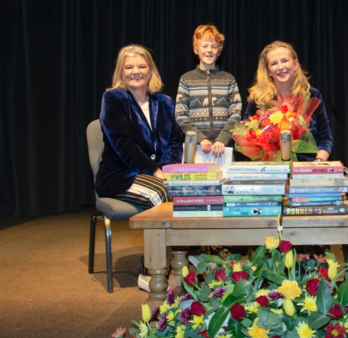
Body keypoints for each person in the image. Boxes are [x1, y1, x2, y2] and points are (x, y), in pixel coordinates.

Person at [96, 44, 183, 209]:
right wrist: (154, 171)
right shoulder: (113, 99)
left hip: (160, 173)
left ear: (150, 70)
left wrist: (165, 169)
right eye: (129, 67)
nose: (136, 71)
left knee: (188, 192)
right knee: (164, 193)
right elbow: (122, 144)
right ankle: (161, 236)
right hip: (121, 175)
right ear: (121, 73)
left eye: (142, 66)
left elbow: (175, 140)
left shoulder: (165, 102)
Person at [244, 40, 333, 161]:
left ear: (295, 64)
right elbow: (247, 137)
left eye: (285, 61)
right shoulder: (258, 99)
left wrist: (318, 164)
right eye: (274, 63)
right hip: (271, 171)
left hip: (307, 169)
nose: (281, 67)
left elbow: (326, 137)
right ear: (268, 71)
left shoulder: (313, 95)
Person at [175, 24, 242, 157]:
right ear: (196, 49)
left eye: (214, 46)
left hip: (223, 148)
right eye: (205, 46)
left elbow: (236, 113)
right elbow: (181, 115)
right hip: (195, 148)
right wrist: (200, 138)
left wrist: (222, 138)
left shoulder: (229, 79)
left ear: (219, 51)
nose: (209, 50)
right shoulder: (186, 79)